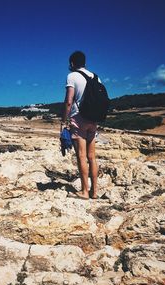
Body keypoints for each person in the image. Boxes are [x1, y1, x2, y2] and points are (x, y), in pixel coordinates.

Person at [61, 51, 98, 200]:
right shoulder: (95, 76)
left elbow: (69, 101)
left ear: (71, 64)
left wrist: (64, 120)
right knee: (92, 157)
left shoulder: (72, 76)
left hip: (79, 118)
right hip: (94, 119)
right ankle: (95, 192)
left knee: (81, 156)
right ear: (85, 62)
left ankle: (84, 192)